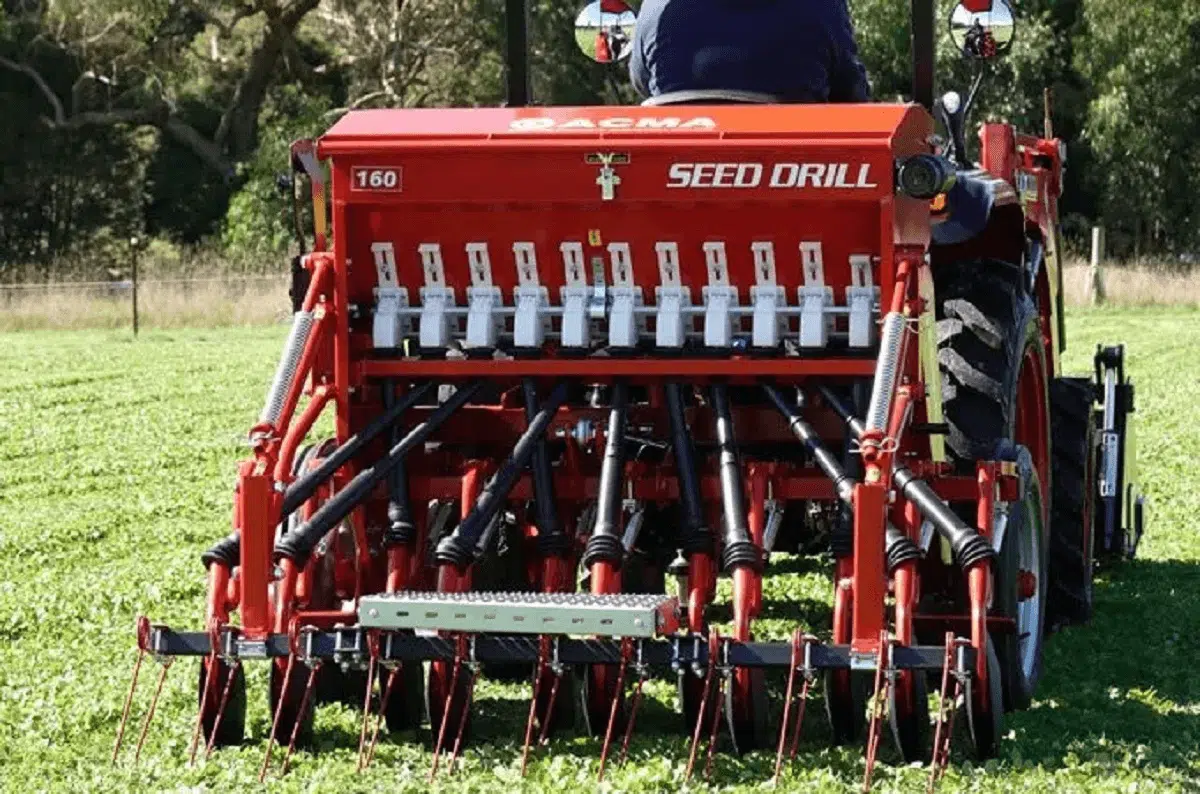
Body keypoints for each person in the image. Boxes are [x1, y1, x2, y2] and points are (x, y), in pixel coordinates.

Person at [629, 0, 871, 103]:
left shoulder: (658, 8)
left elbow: (641, 81)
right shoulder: (820, 6)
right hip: (796, 183)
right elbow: (850, 90)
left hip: (673, 187)